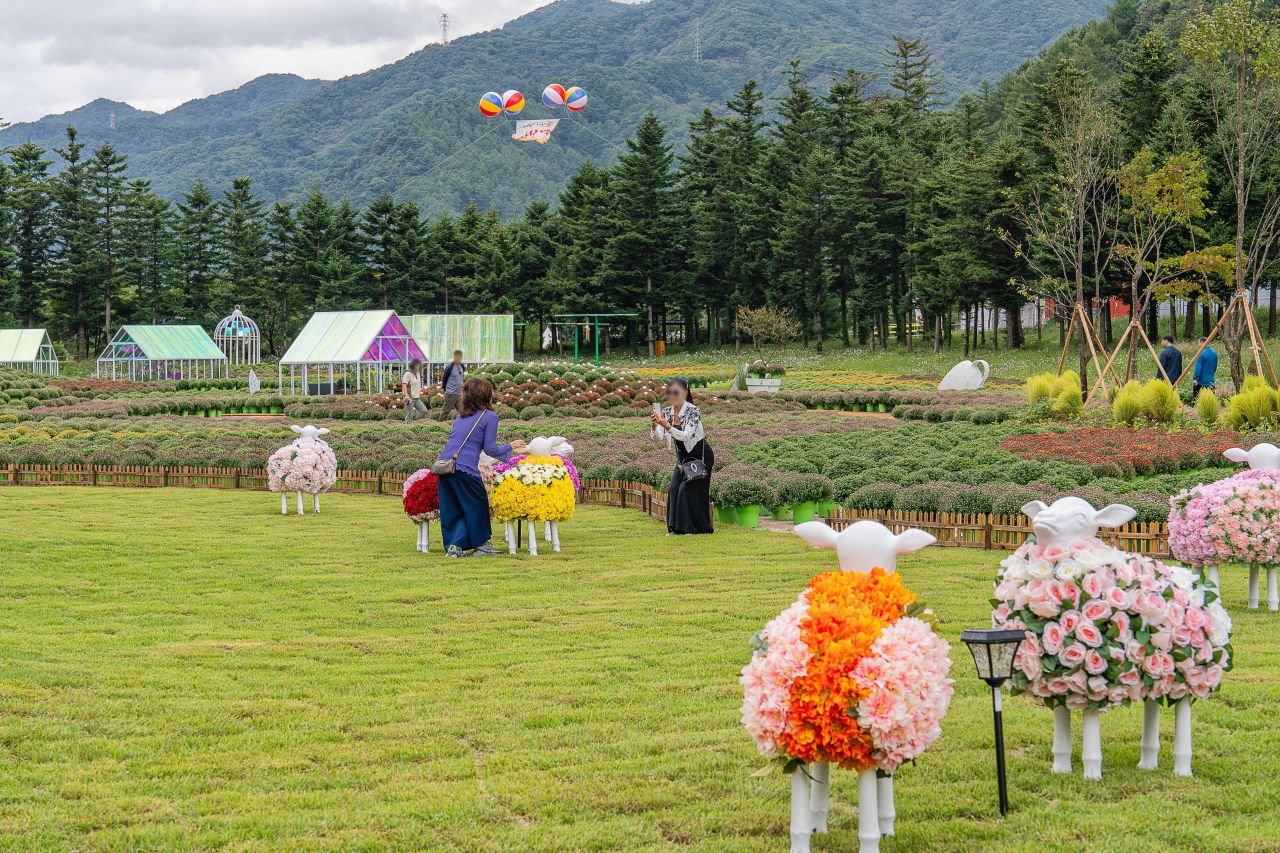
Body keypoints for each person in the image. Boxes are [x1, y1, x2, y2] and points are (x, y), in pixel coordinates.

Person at [436, 377, 526, 558]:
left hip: (444, 466)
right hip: (464, 468)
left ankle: (455, 546)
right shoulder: (489, 417)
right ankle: (481, 545)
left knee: (453, 508)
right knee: (477, 505)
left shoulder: (461, 416)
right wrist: (511, 446)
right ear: (486, 395)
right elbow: (491, 449)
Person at [652, 377, 714, 535]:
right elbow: (657, 437)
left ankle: (692, 528)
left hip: (700, 457)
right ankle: (674, 528)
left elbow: (685, 436)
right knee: (673, 488)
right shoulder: (667, 412)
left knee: (686, 490)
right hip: (683, 459)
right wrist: (654, 425)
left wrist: (668, 426)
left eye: (676, 392)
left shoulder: (694, 411)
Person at [440, 350, 466, 419]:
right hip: (451, 393)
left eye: (460, 356)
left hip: (459, 393)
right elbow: (444, 379)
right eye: (457, 356)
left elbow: (460, 378)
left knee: (462, 412)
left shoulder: (462, 367)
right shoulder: (450, 367)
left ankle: (463, 427)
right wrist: (445, 389)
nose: (458, 358)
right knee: (446, 411)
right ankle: (439, 424)